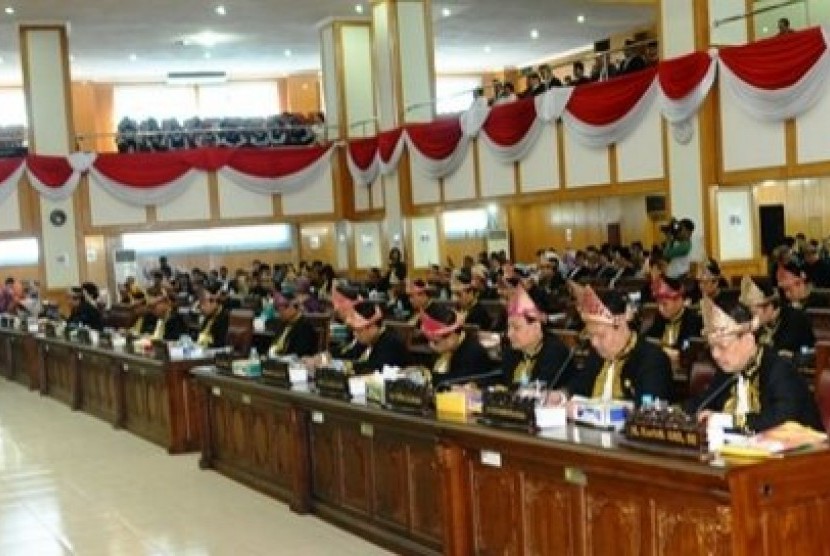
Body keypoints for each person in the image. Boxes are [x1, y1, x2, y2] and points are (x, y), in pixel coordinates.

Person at [686, 297, 822, 433]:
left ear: (748, 341)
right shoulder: (726, 372)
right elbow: (701, 404)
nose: (715, 354)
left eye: (722, 346)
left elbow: (782, 421)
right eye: (712, 347)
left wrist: (728, 421)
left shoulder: (780, 371)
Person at [567, 285, 673, 404]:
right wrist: (561, 396)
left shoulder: (652, 360)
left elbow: (647, 411)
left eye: (601, 335)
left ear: (621, 325)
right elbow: (577, 388)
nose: (594, 343)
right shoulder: (596, 355)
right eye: (590, 335)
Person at [501, 286, 573, 388]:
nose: (509, 334)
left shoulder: (555, 352)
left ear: (536, 327)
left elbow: (540, 388)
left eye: (516, 328)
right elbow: (500, 377)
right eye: (508, 327)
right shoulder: (511, 351)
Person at [419, 303, 496, 389]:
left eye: (435, 342)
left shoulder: (473, 352)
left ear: (452, 335)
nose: (431, 345)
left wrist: (427, 377)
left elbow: (455, 381)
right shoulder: (445, 348)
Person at [739, 275, 814, 356]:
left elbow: (811, 350)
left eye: (755, 313)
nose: (753, 318)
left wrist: (795, 355)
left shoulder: (797, 319)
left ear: (769, 306)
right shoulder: (755, 325)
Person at [645, 274, 702, 356]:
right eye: (658, 304)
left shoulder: (694, 320)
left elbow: (689, 349)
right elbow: (647, 338)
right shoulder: (660, 317)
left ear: (679, 300)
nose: (661, 309)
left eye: (665, 304)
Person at [344, 301, 408, 374]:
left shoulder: (391, 343)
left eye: (358, 330)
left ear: (372, 326)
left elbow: (376, 369)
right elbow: (350, 355)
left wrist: (349, 366)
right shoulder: (367, 339)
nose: (354, 334)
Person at [267, 293, 318, 358]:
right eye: (277, 309)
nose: (279, 313)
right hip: (273, 359)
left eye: (282, 309)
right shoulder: (283, 323)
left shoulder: (305, 327)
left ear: (293, 307)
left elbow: (299, 354)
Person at [196, 284, 229, 349]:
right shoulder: (208, 316)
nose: (201, 308)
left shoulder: (224, 318)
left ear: (214, 303)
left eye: (204, 303)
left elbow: (220, 344)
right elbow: (200, 336)